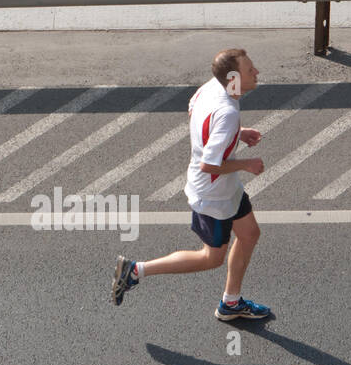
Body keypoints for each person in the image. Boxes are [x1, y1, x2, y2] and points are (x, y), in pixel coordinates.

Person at [111, 48, 272, 321]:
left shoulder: (212, 88)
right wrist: (246, 163)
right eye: (249, 70)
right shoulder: (227, 112)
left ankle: (230, 304)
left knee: (250, 234)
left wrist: (236, 135)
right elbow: (208, 165)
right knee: (211, 258)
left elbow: (193, 110)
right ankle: (136, 270)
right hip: (213, 195)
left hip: (226, 188)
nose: (256, 72)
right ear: (233, 78)